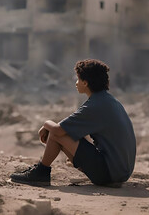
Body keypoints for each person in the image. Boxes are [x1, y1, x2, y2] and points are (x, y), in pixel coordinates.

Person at [10, 59, 136, 187]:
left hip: (110, 173)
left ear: (85, 83)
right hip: (121, 172)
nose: (76, 83)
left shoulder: (95, 105)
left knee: (56, 134)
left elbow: (59, 130)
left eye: (78, 79)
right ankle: (43, 171)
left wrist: (46, 123)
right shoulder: (109, 101)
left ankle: (41, 172)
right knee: (63, 132)